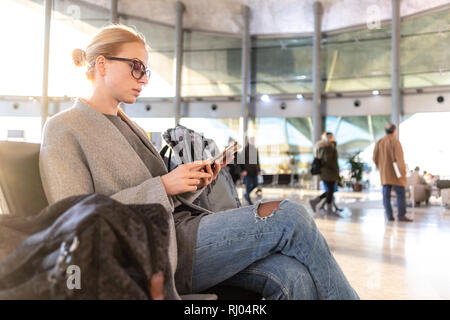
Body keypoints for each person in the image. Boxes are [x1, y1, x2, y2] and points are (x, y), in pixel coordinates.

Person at [39, 24, 358, 300]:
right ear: (102, 64)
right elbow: (74, 223)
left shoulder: (127, 125)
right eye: (136, 66)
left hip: (180, 233)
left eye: (145, 70)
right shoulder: (64, 128)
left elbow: (162, 196)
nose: (143, 78)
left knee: (292, 275)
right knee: (291, 216)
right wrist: (163, 185)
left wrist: (191, 182)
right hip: (149, 251)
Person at [373, 123, 413, 222]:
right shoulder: (395, 142)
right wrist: (402, 172)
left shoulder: (379, 142)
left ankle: (389, 215)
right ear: (395, 131)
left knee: (386, 196)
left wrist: (381, 167)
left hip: (385, 175)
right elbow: (400, 159)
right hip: (396, 175)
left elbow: (374, 158)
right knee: (400, 194)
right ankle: (401, 215)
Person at [309, 132, 340, 216]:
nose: (333, 138)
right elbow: (328, 160)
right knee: (330, 190)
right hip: (329, 172)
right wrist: (336, 171)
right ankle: (328, 210)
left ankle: (317, 202)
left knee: (330, 190)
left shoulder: (325, 146)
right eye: (331, 137)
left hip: (327, 172)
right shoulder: (327, 146)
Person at [239, 136, 261, 205]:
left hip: (254, 171)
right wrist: (243, 170)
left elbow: (257, 160)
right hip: (247, 172)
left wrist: (259, 170)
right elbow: (241, 160)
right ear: (249, 141)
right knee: (247, 186)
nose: (253, 141)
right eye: (251, 140)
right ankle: (248, 200)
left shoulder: (255, 149)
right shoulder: (245, 149)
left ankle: (246, 195)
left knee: (255, 184)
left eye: (253, 140)